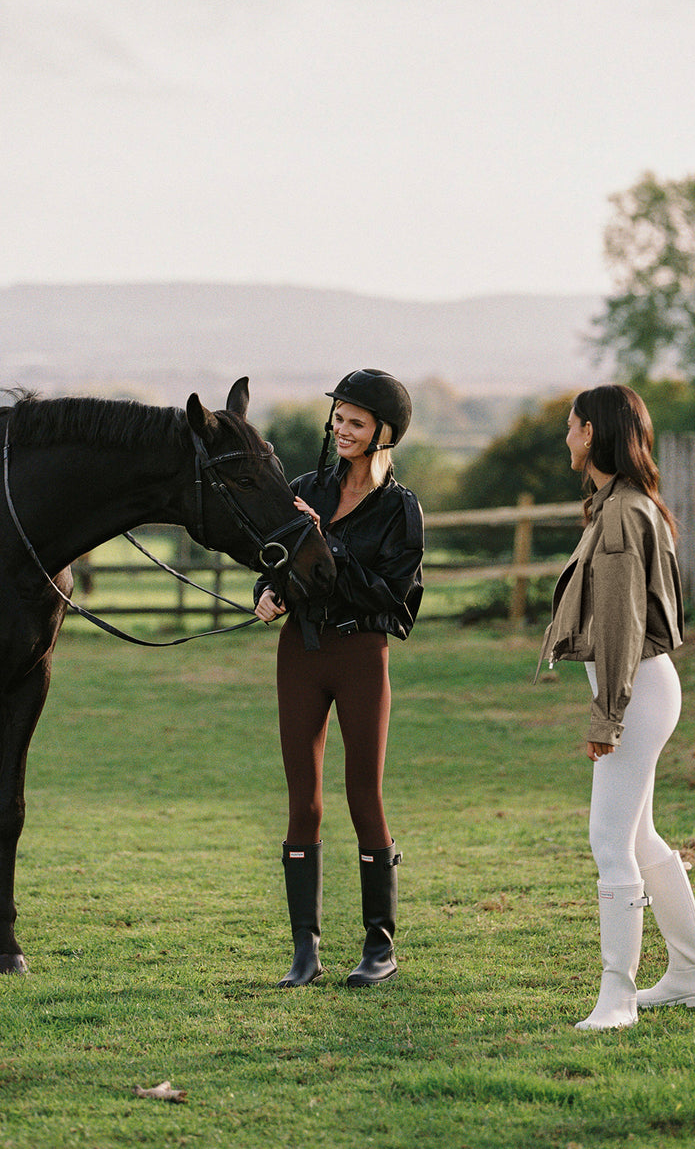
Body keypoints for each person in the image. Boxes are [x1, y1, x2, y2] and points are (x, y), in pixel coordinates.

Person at [536, 384, 695, 1030]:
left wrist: (606, 713)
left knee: (609, 840)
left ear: (592, 434)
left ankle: (618, 998)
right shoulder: (624, 502)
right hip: (646, 684)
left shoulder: (618, 514)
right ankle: (691, 974)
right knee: (638, 837)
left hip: (635, 687)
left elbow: (620, 622)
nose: (565, 435)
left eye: (571, 425)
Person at [254, 369, 423, 988]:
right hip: (300, 648)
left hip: (361, 654)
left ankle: (380, 947)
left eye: (355, 421)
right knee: (303, 800)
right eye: (339, 418)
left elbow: (393, 599)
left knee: (363, 795)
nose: (341, 430)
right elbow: (274, 558)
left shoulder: (401, 510)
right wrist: (266, 592)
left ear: (384, 432)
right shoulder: (305, 489)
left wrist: (328, 544)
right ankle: (306, 950)